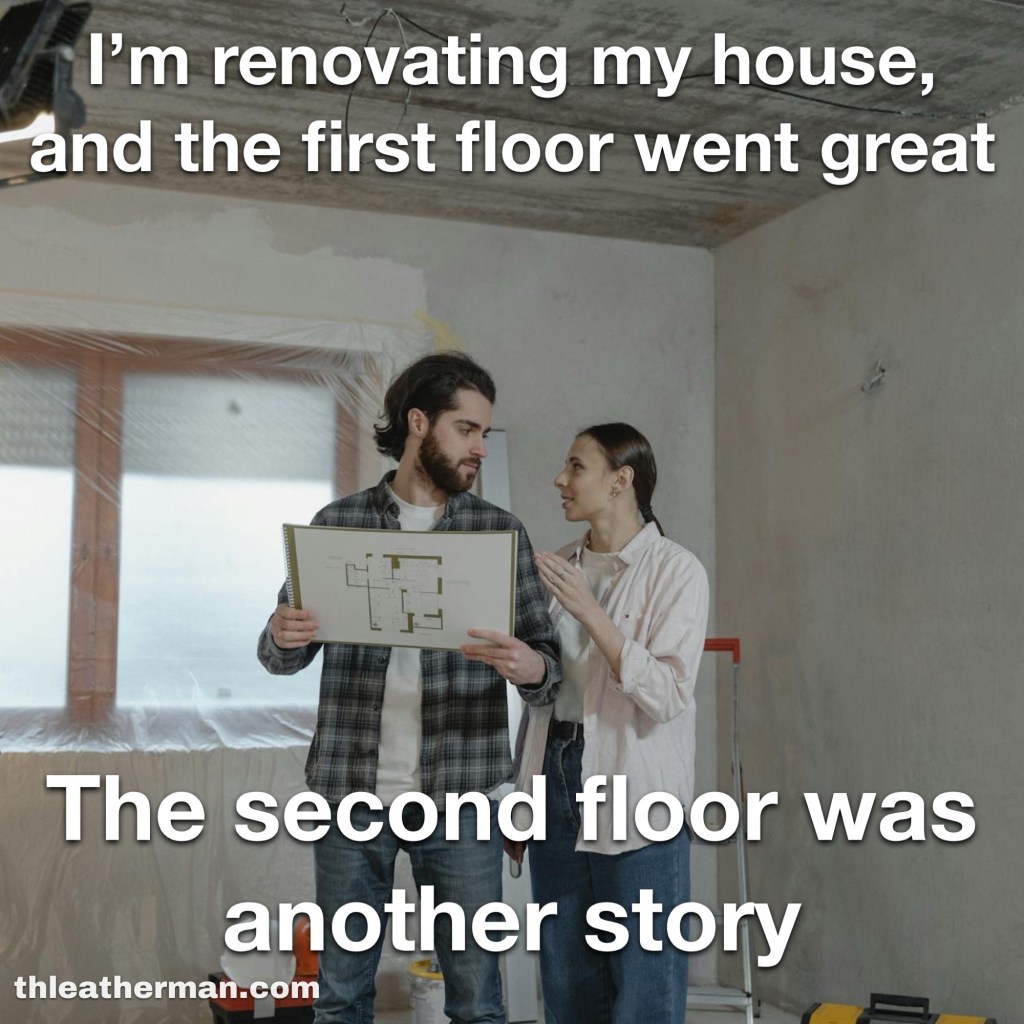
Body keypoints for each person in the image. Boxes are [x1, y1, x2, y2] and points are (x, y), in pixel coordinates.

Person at [257, 352, 561, 1024]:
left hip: (464, 795)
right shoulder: (338, 524)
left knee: (477, 1000)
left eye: (484, 433)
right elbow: (279, 658)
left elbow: (550, 673)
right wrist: (283, 634)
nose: (480, 447)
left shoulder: (498, 532)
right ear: (418, 422)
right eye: (466, 429)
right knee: (340, 995)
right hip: (350, 789)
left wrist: (530, 668)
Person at [511, 422, 709, 1024]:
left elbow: (668, 694)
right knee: (567, 983)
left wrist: (592, 612)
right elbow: (544, 697)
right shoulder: (556, 567)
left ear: (622, 480)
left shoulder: (677, 571)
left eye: (576, 466)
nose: (559, 479)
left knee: (645, 987)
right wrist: (522, 796)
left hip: (635, 790)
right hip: (554, 781)